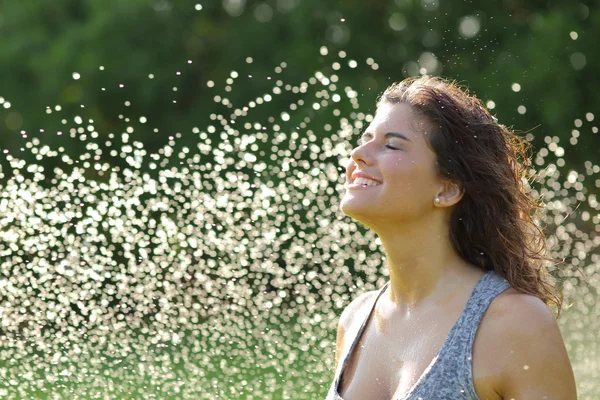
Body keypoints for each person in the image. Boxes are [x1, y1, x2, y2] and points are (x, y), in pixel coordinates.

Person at [326, 76, 577, 399]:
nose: (358, 153)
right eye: (365, 139)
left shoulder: (514, 323)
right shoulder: (356, 319)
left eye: (391, 144)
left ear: (447, 188)